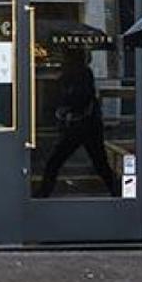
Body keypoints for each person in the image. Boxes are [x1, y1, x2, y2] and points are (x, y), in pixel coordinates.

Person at [37, 48, 117, 198]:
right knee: (100, 163)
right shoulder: (82, 73)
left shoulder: (77, 75)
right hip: (88, 125)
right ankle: (117, 192)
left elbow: (79, 98)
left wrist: (65, 109)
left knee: (55, 161)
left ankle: (43, 194)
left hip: (81, 125)